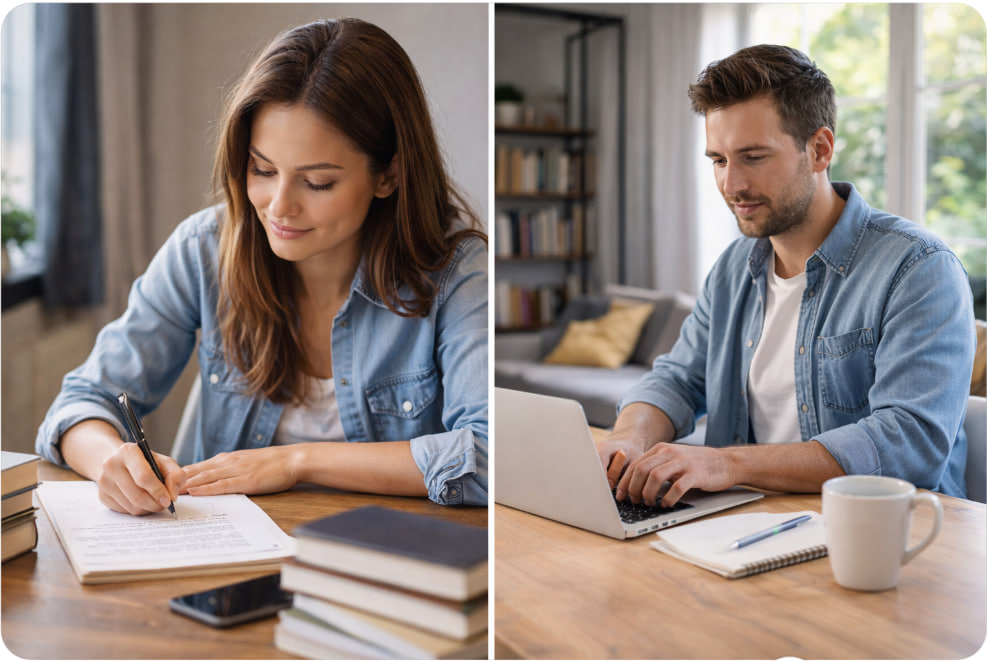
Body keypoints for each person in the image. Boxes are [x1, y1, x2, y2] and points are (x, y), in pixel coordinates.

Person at [35, 18, 488, 514]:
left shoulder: (454, 272)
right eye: (262, 170)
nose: (278, 207)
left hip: (390, 562)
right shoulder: (204, 249)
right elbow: (80, 403)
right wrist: (111, 463)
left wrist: (296, 462)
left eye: (317, 183)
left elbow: (488, 455)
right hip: (228, 558)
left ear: (389, 175)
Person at [597, 44, 975, 507]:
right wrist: (628, 438)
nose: (731, 185)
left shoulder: (918, 268)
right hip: (744, 523)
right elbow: (678, 380)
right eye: (718, 159)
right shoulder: (735, 268)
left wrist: (728, 463)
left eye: (753, 157)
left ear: (819, 149)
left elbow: (908, 443)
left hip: (886, 537)